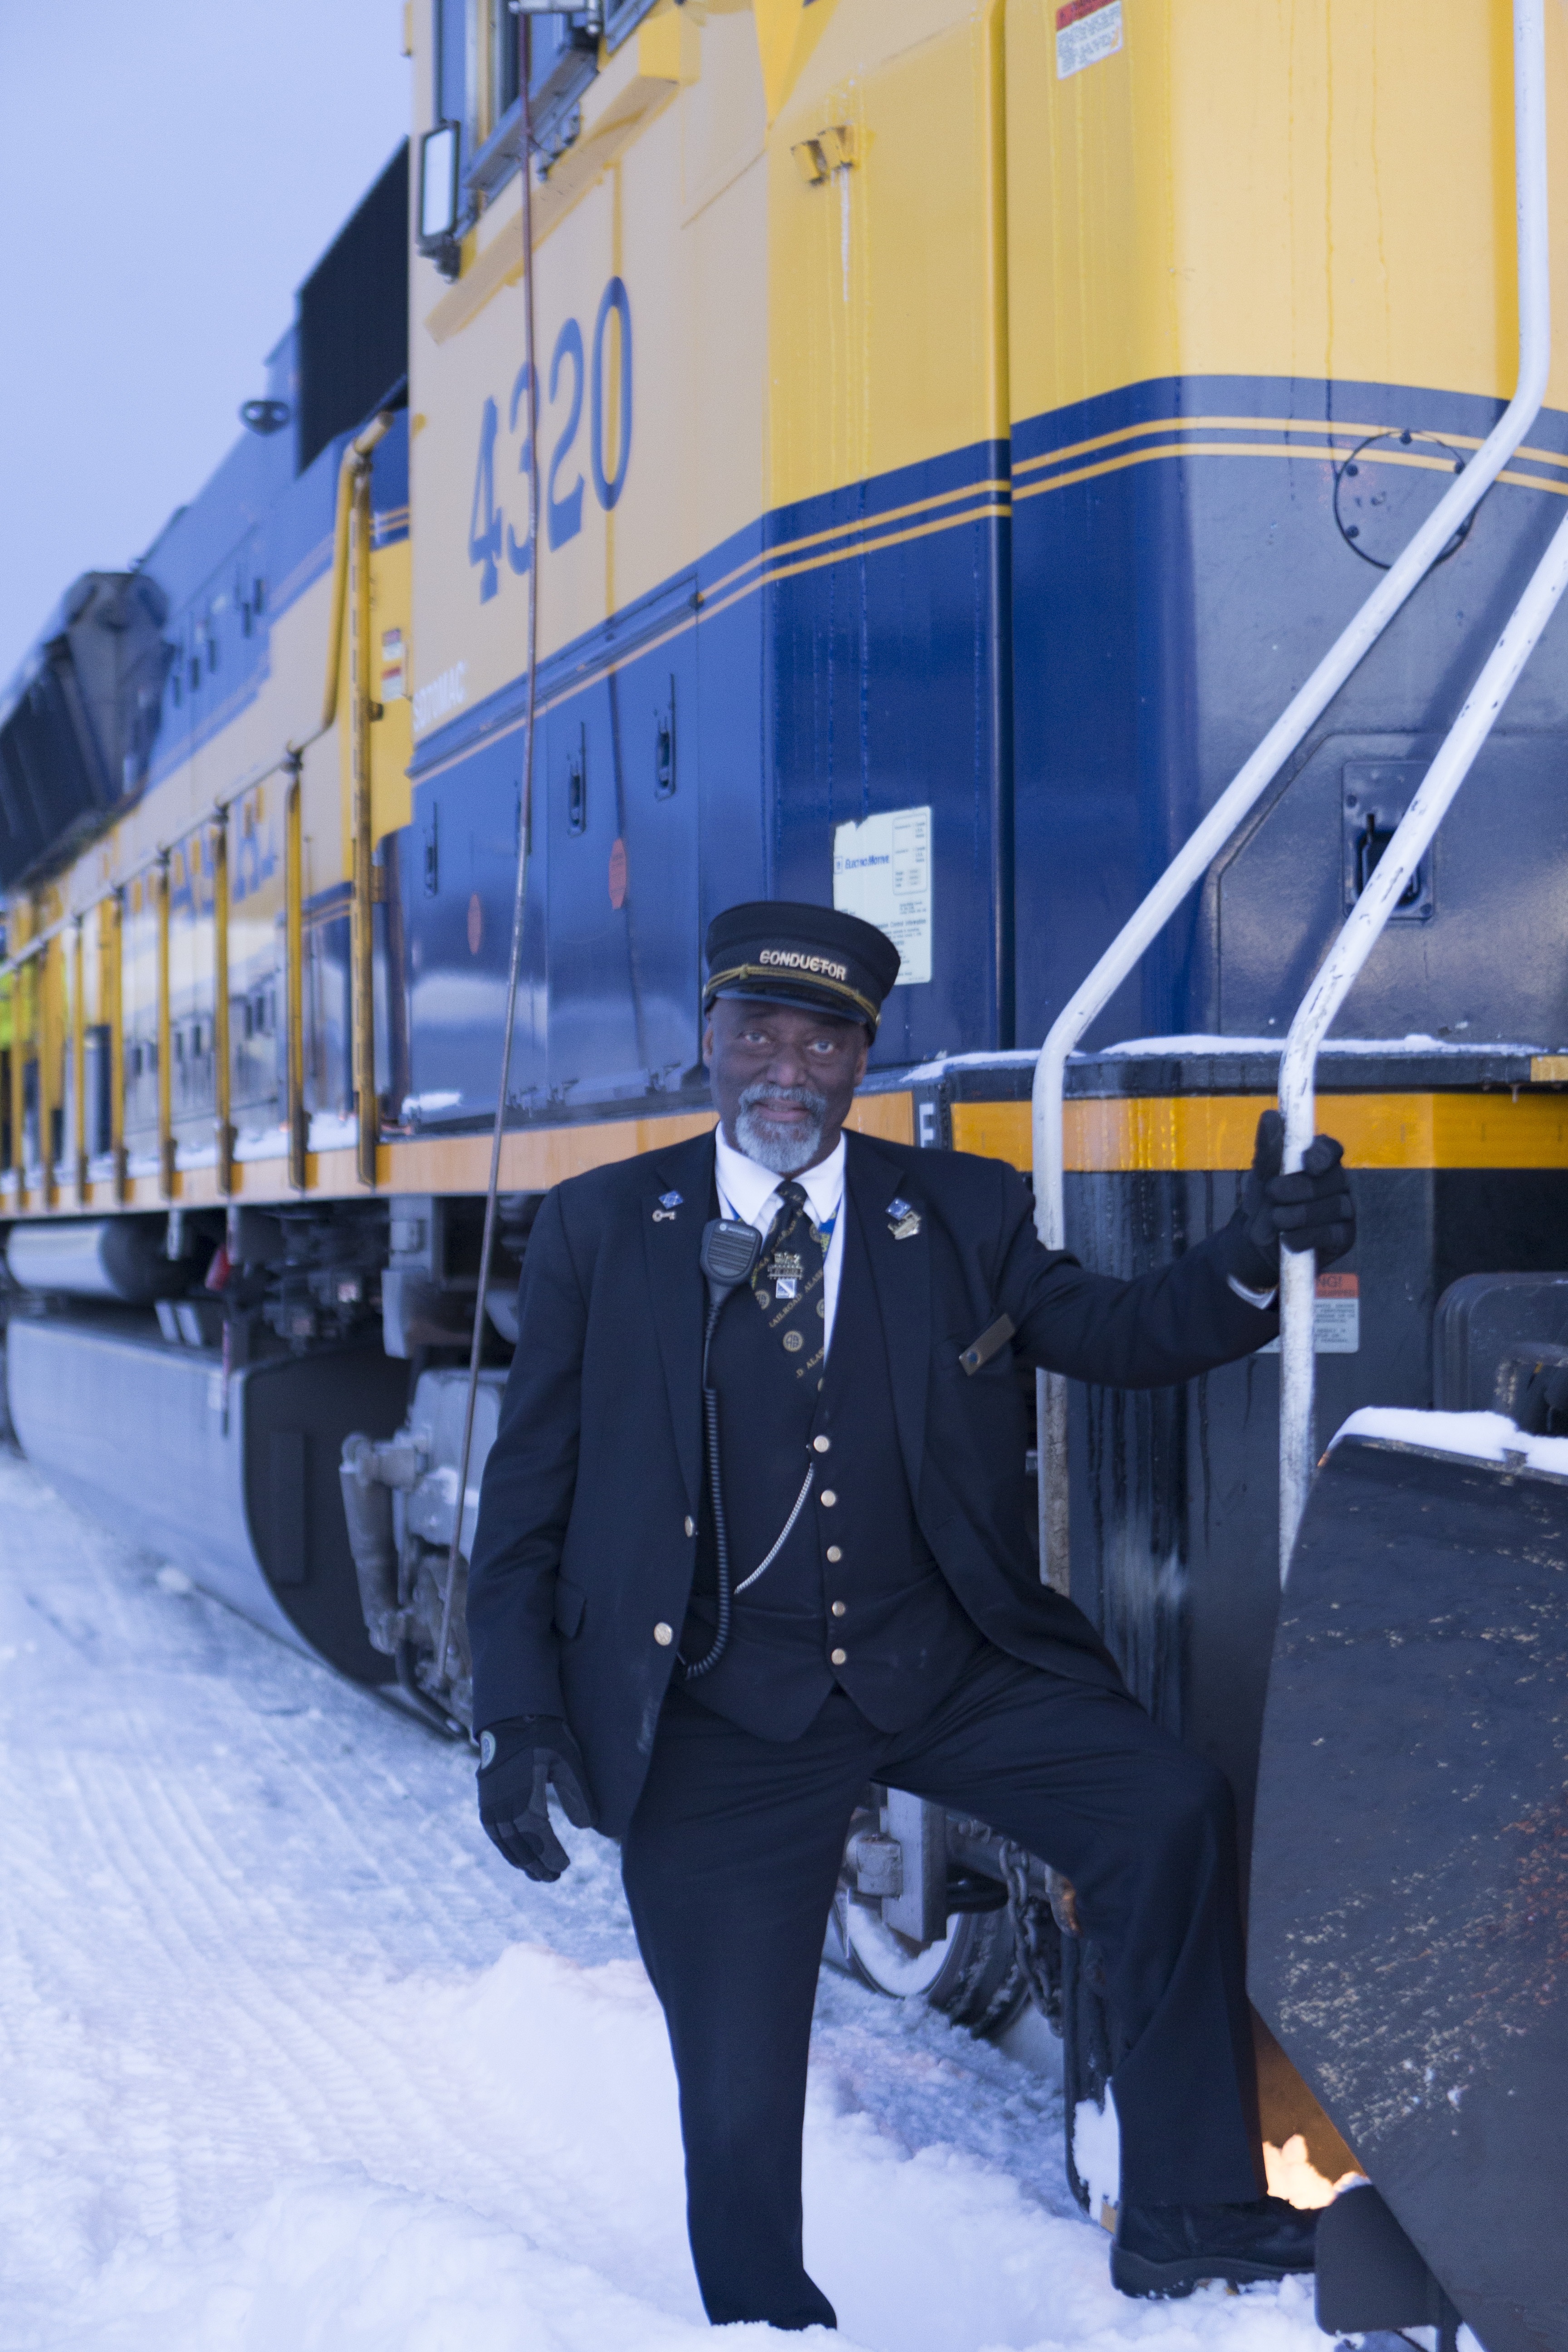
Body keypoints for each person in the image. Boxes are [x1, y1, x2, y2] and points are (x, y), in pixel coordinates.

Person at [466, 900, 1356, 2328]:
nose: (786, 1066)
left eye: (823, 1041)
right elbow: (529, 1500)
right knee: (739, 2067)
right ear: (707, 1040)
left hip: (940, 1658)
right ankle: (764, 2314)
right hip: (714, 1700)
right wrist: (512, 1713)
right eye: (757, 1031)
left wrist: (1254, 1253)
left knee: (1166, 1806)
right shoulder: (599, 1226)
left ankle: (1190, 2212)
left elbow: (1121, 1337)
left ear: (862, 1061)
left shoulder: (959, 1207)